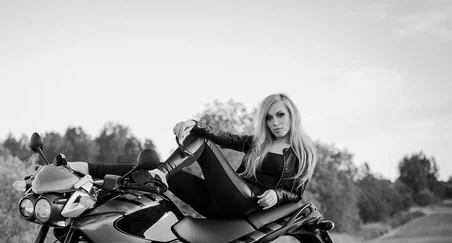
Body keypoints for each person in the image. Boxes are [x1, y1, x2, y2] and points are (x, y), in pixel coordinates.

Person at [70, 93, 316, 219]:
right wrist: (195, 124)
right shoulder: (258, 143)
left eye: (280, 115)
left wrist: (276, 194)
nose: (275, 122)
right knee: (153, 168)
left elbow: (296, 193)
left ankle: (161, 174)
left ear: (292, 114)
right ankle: (84, 168)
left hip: (248, 202)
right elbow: (227, 138)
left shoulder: (303, 153)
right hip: (219, 201)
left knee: (199, 148)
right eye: (269, 118)